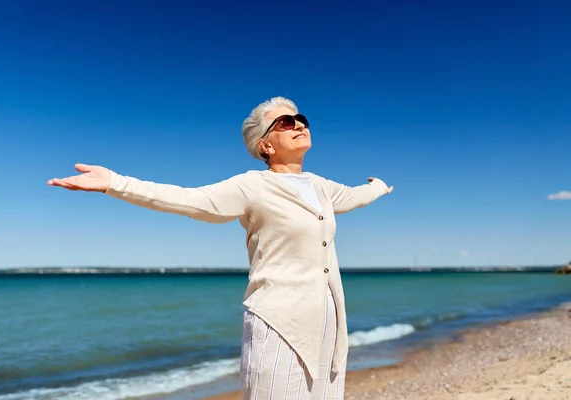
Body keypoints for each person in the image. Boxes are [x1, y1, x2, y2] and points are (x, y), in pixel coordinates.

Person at [48, 96, 393, 399]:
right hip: (279, 321)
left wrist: (378, 188)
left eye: (301, 119)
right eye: (285, 122)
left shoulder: (320, 186)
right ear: (265, 145)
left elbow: (352, 196)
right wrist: (115, 183)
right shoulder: (251, 186)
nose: (298, 125)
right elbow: (188, 199)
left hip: (329, 321)